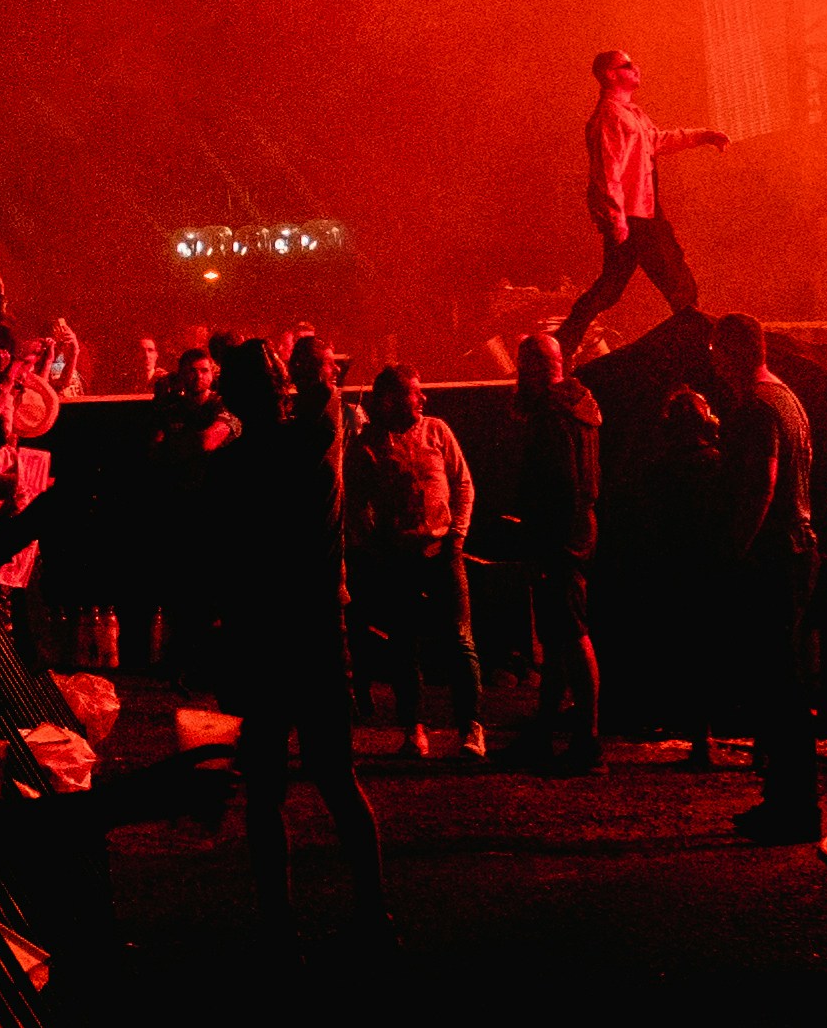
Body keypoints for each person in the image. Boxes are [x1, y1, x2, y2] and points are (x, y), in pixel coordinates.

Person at [204, 336, 380, 929]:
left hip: (259, 633)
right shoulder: (315, 440)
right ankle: (372, 913)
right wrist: (308, 369)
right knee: (338, 778)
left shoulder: (230, 464)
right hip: (315, 627)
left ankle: (279, 925)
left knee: (264, 791)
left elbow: (222, 558)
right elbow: (327, 393)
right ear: (282, 388)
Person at [708, 311, 823, 845]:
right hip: (800, 548)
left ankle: (791, 807)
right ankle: (789, 800)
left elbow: (761, 484)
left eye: (715, 352)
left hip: (774, 555)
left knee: (778, 685)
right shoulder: (788, 398)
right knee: (790, 682)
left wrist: (734, 548)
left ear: (728, 352)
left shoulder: (755, 408)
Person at [551, 45, 721, 355]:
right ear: (610, 74)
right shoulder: (609, 117)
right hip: (635, 218)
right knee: (679, 283)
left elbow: (657, 141)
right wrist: (617, 221)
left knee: (611, 289)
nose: (636, 69)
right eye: (628, 65)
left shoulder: (632, 114)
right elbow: (607, 170)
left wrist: (703, 136)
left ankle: (562, 343)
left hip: (640, 213)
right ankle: (697, 349)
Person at [350, 358, 479, 761]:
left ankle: (471, 730)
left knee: (460, 642)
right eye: (414, 390)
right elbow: (355, 501)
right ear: (390, 399)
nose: (422, 397)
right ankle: (414, 730)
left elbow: (463, 484)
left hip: (443, 552)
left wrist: (457, 535)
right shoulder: (368, 443)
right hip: (398, 557)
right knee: (405, 645)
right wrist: (374, 544)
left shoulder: (437, 431)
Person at [482, 331, 599, 767]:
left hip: (559, 538)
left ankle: (588, 743)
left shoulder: (552, 415)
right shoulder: (580, 407)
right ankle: (545, 733)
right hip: (574, 531)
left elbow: (560, 484)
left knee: (572, 634)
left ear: (534, 367)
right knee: (556, 637)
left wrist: (544, 538)